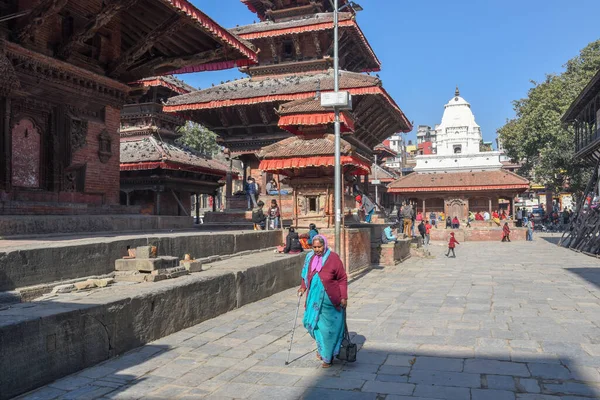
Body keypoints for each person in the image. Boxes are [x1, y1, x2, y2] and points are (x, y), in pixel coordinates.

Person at [298, 235, 348, 368]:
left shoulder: (333, 258)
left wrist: (343, 297)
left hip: (330, 302)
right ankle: (323, 349)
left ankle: (327, 357)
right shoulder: (309, 258)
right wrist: (303, 287)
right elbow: (305, 275)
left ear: (324, 245)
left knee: (329, 330)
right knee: (311, 324)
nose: (317, 249)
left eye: (319, 246)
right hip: (313, 301)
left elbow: (342, 278)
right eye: (314, 247)